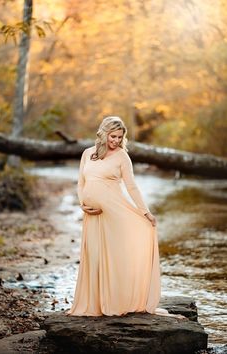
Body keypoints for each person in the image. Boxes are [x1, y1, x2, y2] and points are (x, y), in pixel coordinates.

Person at [66, 116, 185, 318]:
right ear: (103, 133)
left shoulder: (122, 156)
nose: (116, 141)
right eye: (113, 136)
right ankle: (94, 304)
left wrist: (145, 212)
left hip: (115, 214)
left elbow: (131, 187)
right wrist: (83, 205)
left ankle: (117, 301)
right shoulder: (88, 154)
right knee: (94, 257)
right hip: (92, 215)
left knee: (114, 258)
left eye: (120, 137)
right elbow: (81, 183)